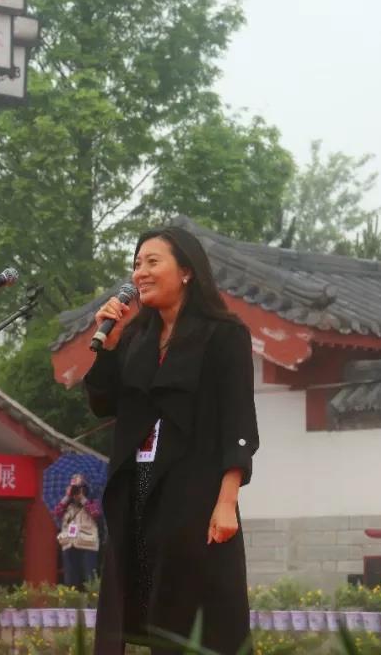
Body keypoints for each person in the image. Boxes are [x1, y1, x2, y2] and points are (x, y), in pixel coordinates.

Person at [84, 226, 259, 654]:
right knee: (148, 610)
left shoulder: (224, 335)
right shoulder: (136, 337)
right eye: (136, 264)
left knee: (196, 611)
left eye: (152, 262)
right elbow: (104, 403)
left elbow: (238, 420)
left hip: (194, 491)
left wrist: (226, 501)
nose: (139, 273)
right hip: (138, 487)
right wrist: (109, 345)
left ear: (186, 271)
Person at [53, 472, 103, 589]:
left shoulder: (93, 501)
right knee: (70, 579)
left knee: (89, 579)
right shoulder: (67, 504)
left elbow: (96, 514)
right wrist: (67, 496)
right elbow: (56, 513)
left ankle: (91, 599)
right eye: (73, 487)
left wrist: (82, 499)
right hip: (69, 543)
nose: (76, 491)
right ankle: (72, 598)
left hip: (88, 544)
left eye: (78, 488)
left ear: (85, 488)